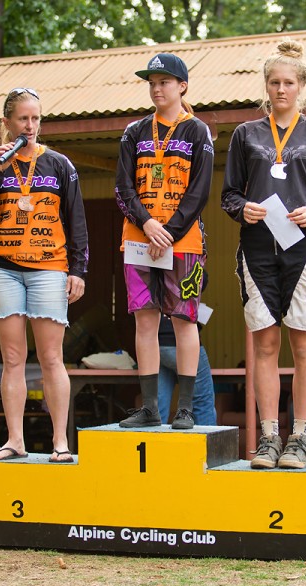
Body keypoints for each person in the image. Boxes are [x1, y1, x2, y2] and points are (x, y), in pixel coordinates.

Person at [221, 39, 306, 469]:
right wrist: (244, 208)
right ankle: (269, 438)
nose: (280, 89)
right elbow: (229, 196)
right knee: (265, 343)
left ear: (302, 86)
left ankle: (299, 438)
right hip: (257, 247)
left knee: (304, 343)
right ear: (266, 86)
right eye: (274, 82)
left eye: (288, 83)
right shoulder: (246, 134)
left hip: (303, 247)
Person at [0, 87, 89, 463]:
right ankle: (15, 441)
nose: (30, 126)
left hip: (49, 267)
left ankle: (60, 443)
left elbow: (76, 220)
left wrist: (79, 269)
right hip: (2, 269)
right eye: (23, 119)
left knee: (51, 357)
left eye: (36, 118)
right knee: (13, 357)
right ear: (7, 122)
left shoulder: (59, 164)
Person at [115, 53, 214, 430]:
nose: (157, 89)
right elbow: (123, 187)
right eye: (152, 83)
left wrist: (168, 231)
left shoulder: (197, 131)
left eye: (165, 82)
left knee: (184, 320)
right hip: (139, 240)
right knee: (145, 322)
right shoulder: (134, 132)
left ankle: (185, 409)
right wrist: (148, 224)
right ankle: (151, 408)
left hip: (183, 242)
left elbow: (200, 191)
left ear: (182, 86)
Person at [156, 313, 218, 426]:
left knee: (158, 406)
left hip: (156, 343)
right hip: (184, 340)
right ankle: (208, 443)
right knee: (202, 402)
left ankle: (153, 442)